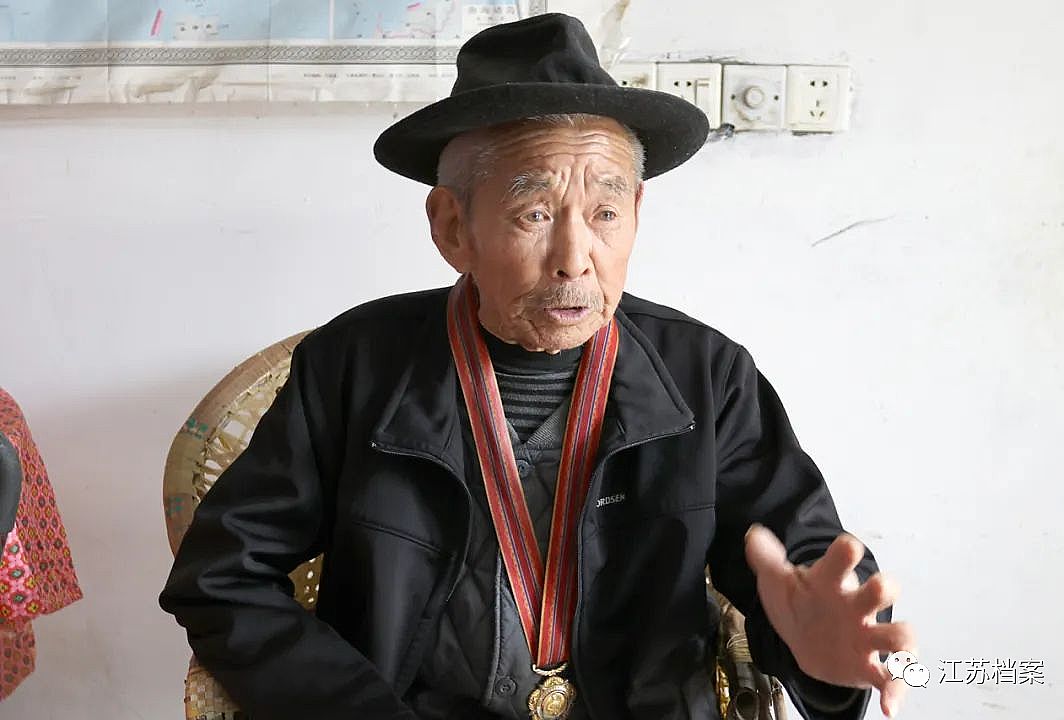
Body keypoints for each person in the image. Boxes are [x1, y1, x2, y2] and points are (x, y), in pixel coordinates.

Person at [160, 13, 916, 720]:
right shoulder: (354, 365)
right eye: (536, 214)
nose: (575, 259)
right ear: (453, 227)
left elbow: (810, 570)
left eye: (605, 214)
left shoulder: (706, 375)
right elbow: (222, 579)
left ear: (637, 215)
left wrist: (822, 657)